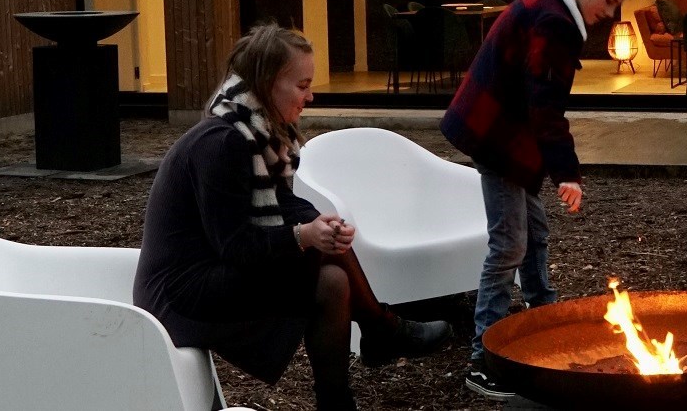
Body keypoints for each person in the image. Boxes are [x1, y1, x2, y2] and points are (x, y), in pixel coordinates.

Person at [134, 23, 452, 411]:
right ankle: (381, 330)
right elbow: (236, 246)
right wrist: (304, 236)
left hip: (210, 273)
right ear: (268, 82)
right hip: (181, 293)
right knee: (325, 266)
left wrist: (324, 224)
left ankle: (348, 384)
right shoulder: (222, 143)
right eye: (301, 86)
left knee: (332, 281)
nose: (310, 96)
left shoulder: (254, 130)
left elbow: (283, 202)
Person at [441, 0, 641, 399]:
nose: (611, 13)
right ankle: (482, 357)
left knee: (535, 230)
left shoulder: (546, 5)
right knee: (509, 243)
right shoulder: (555, 21)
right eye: (609, 0)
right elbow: (545, 105)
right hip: (497, 137)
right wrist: (566, 172)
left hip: (500, 132)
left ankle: (541, 318)